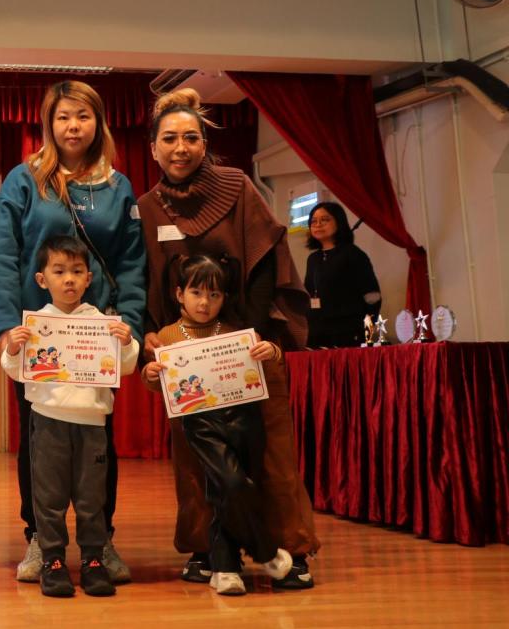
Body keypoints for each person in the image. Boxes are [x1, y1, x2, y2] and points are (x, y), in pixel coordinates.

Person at [136, 87, 318, 589]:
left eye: (191, 138)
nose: (180, 148)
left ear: (205, 143)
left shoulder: (237, 186)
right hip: (187, 352)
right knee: (196, 460)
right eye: (169, 138)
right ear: (152, 148)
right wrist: (152, 335)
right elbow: (147, 280)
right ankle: (208, 549)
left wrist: (246, 337)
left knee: (272, 456)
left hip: (248, 347)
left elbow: (266, 261)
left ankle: (291, 547)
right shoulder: (148, 207)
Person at [0, 80, 146, 585]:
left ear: (98, 123)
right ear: (48, 124)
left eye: (82, 116)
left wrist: (130, 323)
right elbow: (5, 256)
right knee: (39, 442)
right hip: (40, 338)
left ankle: (101, 540)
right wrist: (7, 326)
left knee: (98, 441)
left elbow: (132, 262)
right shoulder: (24, 180)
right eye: (62, 117)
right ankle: (40, 537)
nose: (72, 126)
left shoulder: (117, 187)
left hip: (97, 337)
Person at [143, 254, 294, 596]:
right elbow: (156, 384)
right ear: (179, 294)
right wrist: (150, 373)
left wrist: (271, 351)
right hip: (200, 423)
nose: (204, 303)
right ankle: (265, 551)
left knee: (226, 490)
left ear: (224, 298)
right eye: (196, 293)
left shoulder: (235, 332)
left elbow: (268, 365)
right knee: (232, 482)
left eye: (214, 295)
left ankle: (225, 567)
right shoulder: (167, 336)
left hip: (244, 417)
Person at [0, 235, 137, 598]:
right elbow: (13, 369)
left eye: (77, 271)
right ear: (41, 279)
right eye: (59, 271)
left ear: (89, 279)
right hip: (47, 422)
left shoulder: (102, 322)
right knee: (49, 498)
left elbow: (125, 367)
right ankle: (53, 561)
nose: (69, 279)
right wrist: (13, 348)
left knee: (92, 499)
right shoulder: (35, 325)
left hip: (92, 424)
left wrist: (126, 342)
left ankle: (93, 560)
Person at [303, 202, 381, 348]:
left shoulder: (353, 254)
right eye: (313, 221)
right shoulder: (313, 259)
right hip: (317, 333)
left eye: (324, 220)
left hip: (349, 334)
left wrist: (366, 331)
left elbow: (373, 297)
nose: (318, 225)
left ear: (339, 222)